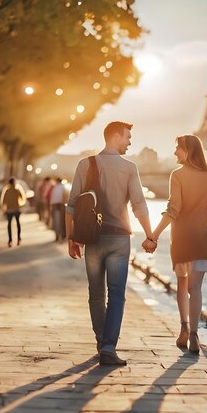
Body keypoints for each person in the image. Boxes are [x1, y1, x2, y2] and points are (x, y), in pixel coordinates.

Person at [65, 121, 155, 366]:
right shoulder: (129, 168)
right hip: (119, 239)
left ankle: (100, 341)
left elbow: (72, 204)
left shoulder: (86, 164)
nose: (129, 142)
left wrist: (71, 237)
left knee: (96, 294)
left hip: (92, 239)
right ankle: (108, 347)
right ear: (115, 137)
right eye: (127, 137)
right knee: (116, 295)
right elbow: (139, 205)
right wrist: (149, 235)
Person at [143, 134, 207, 354]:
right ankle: (195, 336)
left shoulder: (177, 175)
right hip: (202, 238)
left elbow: (172, 210)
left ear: (189, 150)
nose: (175, 152)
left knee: (182, 285)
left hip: (182, 239)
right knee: (196, 288)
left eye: (178, 148)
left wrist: (153, 236)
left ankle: (184, 329)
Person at [0, 177, 26, 247]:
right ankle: (18, 238)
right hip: (16, 209)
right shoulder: (17, 190)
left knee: (9, 224)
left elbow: (3, 202)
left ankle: (10, 240)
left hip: (9, 210)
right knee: (18, 224)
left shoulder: (7, 190)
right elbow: (23, 198)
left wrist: (3, 209)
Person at [49, 178, 67, 242]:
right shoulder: (62, 187)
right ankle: (60, 236)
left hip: (57, 205)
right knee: (60, 221)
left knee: (57, 221)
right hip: (60, 205)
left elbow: (52, 198)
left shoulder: (56, 187)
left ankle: (58, 236)